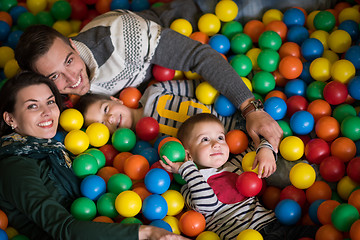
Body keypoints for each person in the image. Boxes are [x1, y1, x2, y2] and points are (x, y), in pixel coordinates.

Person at [14, 0, 283, 154]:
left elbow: (199, 56)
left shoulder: (121, 38)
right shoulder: (56, 96)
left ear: (73, 45)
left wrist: (251, 109)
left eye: (69, 61)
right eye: (55, 76)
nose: (72, 79)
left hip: (209, 16)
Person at [0, 71, 189, 240]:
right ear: (10, 119)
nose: (47, 112)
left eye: (50, 102)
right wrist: (146, 233)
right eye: (33, 106)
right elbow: (64, 230)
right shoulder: (14, 166)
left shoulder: (51, 148)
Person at [159, 113, 318, 240]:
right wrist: (186, 169)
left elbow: (259, 143)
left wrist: (265, 151)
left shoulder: (235, 164)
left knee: (316, 233)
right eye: (205, 139)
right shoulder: (189, 186)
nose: (216, 144)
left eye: (220, 137)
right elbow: (206, 203)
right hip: (244, 235)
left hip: (275, 224)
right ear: (189, 155)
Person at [74, 79, 277, 178]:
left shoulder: (154, 91)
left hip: (240, 115)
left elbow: (199, 87)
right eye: (100, 125)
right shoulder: (146, 146)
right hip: (234, 152)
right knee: (270, 170)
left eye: (106, 109)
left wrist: (242, 103)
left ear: (114, 99)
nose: (109, 118)